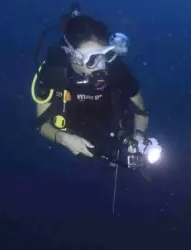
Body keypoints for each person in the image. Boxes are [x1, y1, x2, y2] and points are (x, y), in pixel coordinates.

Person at [31, 12, 159, 169]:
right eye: (93, 59)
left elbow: (140, 109)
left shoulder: (116, 69)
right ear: (74, 57)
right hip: (70, 132)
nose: (101, 65)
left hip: (109, 123)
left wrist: (138, 135)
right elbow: (42, 123)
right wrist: (62, 138)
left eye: (105, 56)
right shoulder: (54, 73)